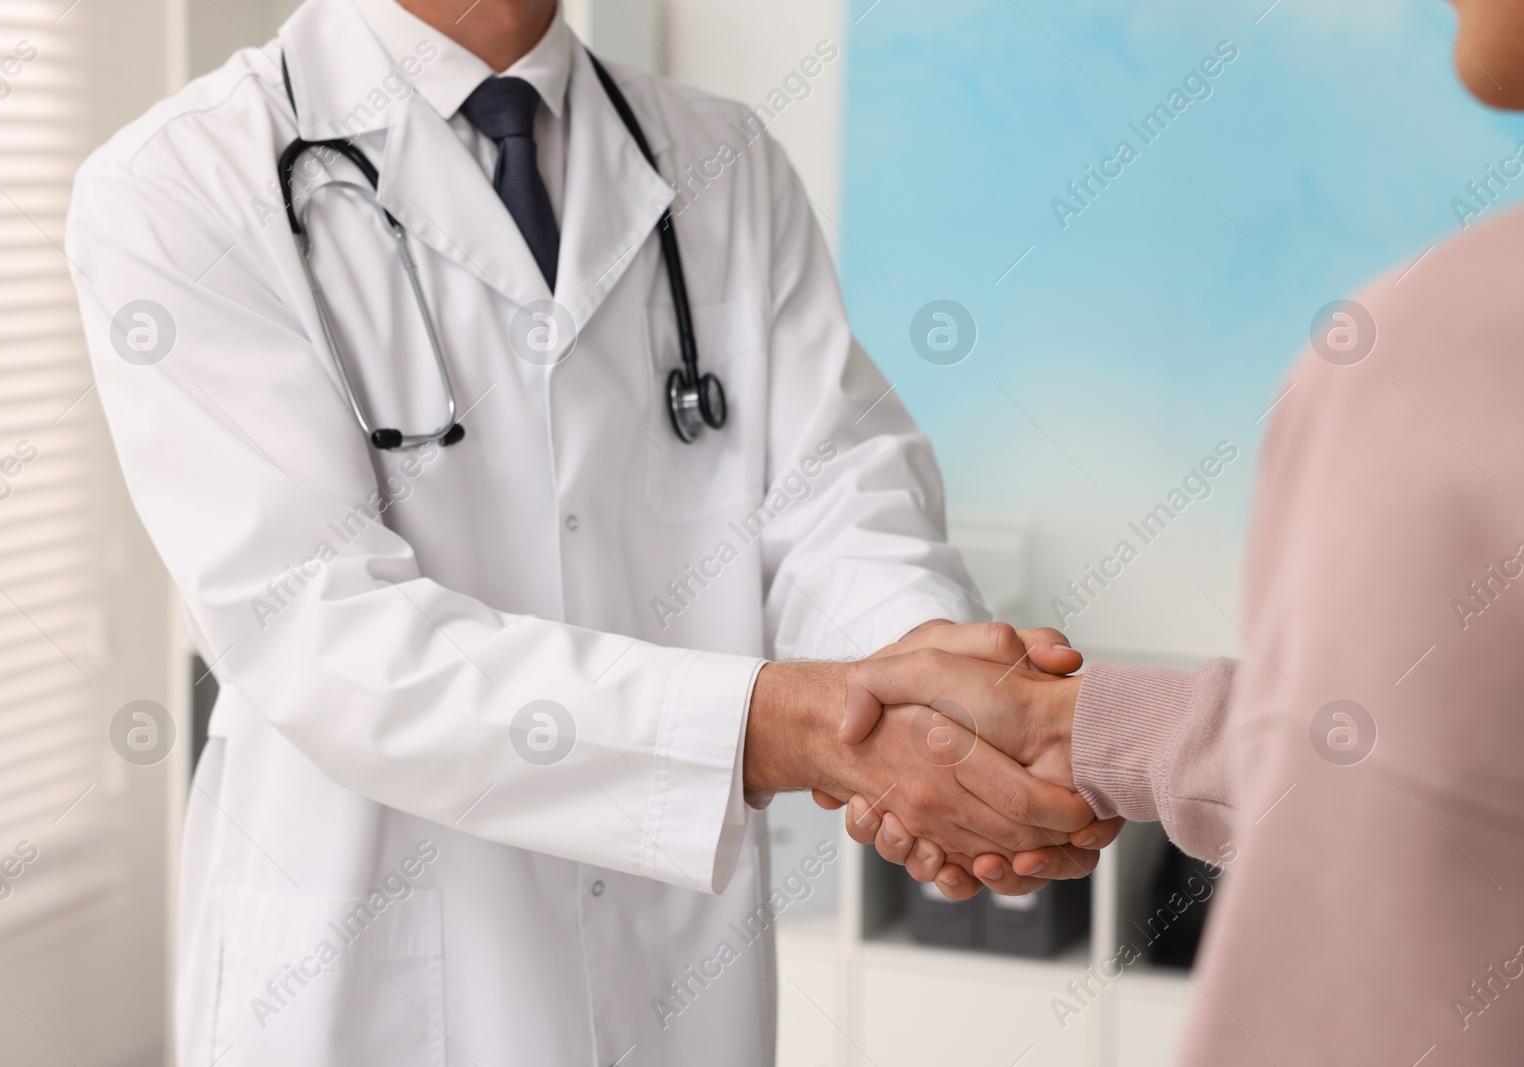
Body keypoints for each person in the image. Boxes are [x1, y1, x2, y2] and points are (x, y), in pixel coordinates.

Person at [65, 0, 1120, 1063]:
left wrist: (942, 725)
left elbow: (839, 496)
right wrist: (793, 728)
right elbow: (328, 638)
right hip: (375, 982)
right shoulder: (178, 184)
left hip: (673, 979)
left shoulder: (723, 157)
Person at [831, 0, 1524, 1060]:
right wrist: (1078, 729)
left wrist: (813, 724)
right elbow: (1426, 783)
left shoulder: (1438, 364)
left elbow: (1365, 959)